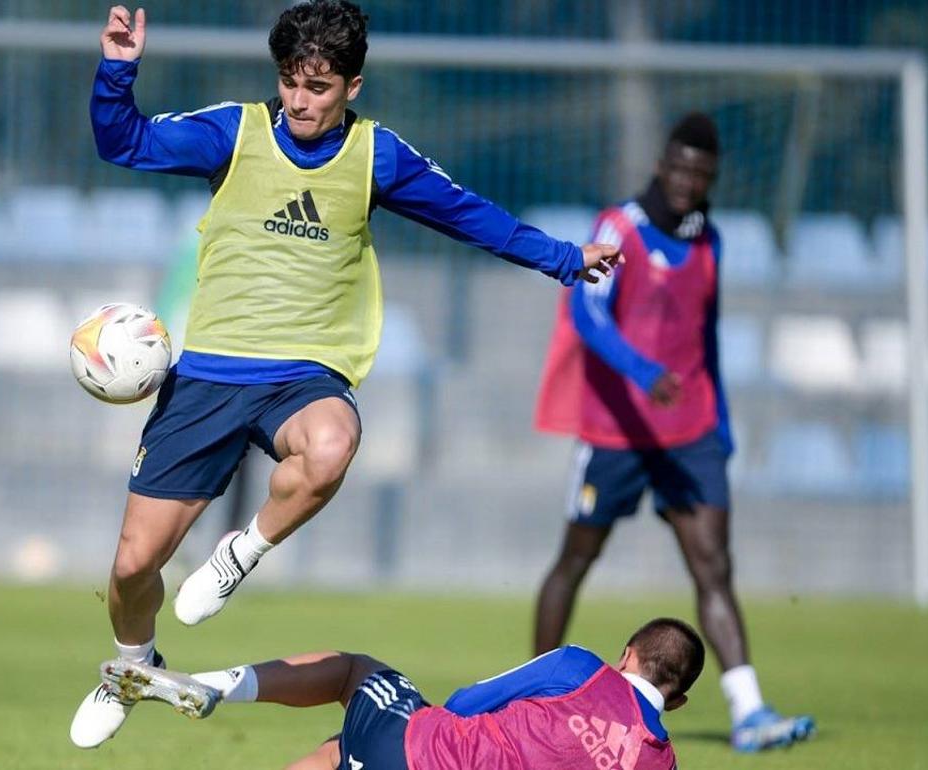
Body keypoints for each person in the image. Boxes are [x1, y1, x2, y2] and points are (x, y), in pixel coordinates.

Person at [72, 1, 623, 748]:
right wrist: (117, 68)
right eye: (291, 84)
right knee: (133, 569)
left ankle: (243, 551)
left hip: (305, 372)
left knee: (332, 444)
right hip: (209, 374)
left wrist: (563, 258)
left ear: (352, 86)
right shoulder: (232, 133)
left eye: (320, 87)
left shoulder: (377, 157)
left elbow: (468, 215)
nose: (301, 101)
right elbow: (123, 143)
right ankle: (131, 666)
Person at [531, 113, 814, 752]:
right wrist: (642, 370)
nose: (688, 181)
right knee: (576, 558)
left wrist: (721, 420)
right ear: (662, 165)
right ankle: (536, 692)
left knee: (714, 564)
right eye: (679, 167)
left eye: (701, 173)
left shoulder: (709, 240)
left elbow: (704, 336)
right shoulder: (619, 227)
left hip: (690, 432)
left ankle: (749, 712)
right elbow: (587, 311)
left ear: (711, 178)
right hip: (616, 432)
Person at [100, 616, 704, 769]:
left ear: (627, 654)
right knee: (344, 751)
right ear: (674, 702)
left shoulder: (582, 668)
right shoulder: (661, 759)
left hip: (420, 750)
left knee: (357, 675)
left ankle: (215, 686)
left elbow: (468, 700)